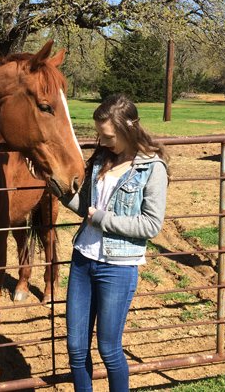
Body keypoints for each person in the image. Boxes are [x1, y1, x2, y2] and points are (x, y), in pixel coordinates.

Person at [60, 94, 168, 392]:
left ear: (127, 129)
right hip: (83, 259)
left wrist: (101, 219)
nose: (101, 140)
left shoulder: (151, 168)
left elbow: (151, 225)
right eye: (99, 134)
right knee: (76, 348)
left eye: (107, 135)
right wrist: (54, 185)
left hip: (118, 267)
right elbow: (87, 207)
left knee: (108, 349)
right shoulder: (101, 160)